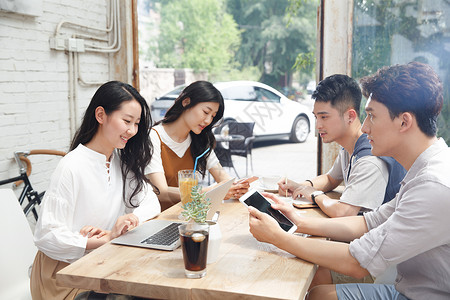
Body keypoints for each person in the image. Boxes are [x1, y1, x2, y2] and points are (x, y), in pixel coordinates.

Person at [248, 61, 450, 300]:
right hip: (407, 286)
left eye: (372, 116)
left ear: (404, 122)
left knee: (316, 290)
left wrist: (278, 237)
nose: (364, 128)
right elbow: (369, 223)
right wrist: (298, 222)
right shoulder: (426, 168)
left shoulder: (434, 185)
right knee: (319, 292)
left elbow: (357, 262)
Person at [30, 81, 161, 300]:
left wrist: (128, 220)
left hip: (100, 265)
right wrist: (108, 239)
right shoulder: (71, 166)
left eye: (136, 123)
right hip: (63, 277)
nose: (132, 130)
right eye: (127, 121)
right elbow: (46, 235)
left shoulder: (120, 160)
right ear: (101, 115)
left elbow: (151, 203)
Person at [279, 74, 406, 218]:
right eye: (316, 117)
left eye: (324, 117)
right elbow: (331, 179)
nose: (318, 125)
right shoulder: (349, 145)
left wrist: (313, 193)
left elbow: (344, 212)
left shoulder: (370, 159)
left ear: (350, 116)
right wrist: (299, 186)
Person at [145, 80, 251, 211]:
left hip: (187, 216)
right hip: (157, 219)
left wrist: (236, 187)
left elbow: (223, 178)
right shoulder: (153, 137)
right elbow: (162, 192)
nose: (208, 121)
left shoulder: (200, 141)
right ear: (186, 102)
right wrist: (208, 192)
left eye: (213, 116)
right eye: (206, 112)